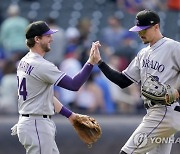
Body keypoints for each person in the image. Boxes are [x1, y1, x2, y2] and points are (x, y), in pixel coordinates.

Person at [93, 10, 180, 154]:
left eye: (144, 29)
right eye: (138, 30)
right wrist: (100, 62)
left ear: (156, 27)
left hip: (164, 111)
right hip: (157, 113)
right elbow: (123, 81)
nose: (140, 33)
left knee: (127, 152)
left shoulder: (173, 47)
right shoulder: (143, 53)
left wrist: (177, 91)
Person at [15, 20, 100, 154]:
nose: (51, 39)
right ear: (37, 39)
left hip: (32, 122)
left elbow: (45, 96)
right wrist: (90, 62)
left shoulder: (24, 61)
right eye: (48, 36)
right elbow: (74, 85)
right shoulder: (41, 65)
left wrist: (70, 115)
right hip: (37, 124)